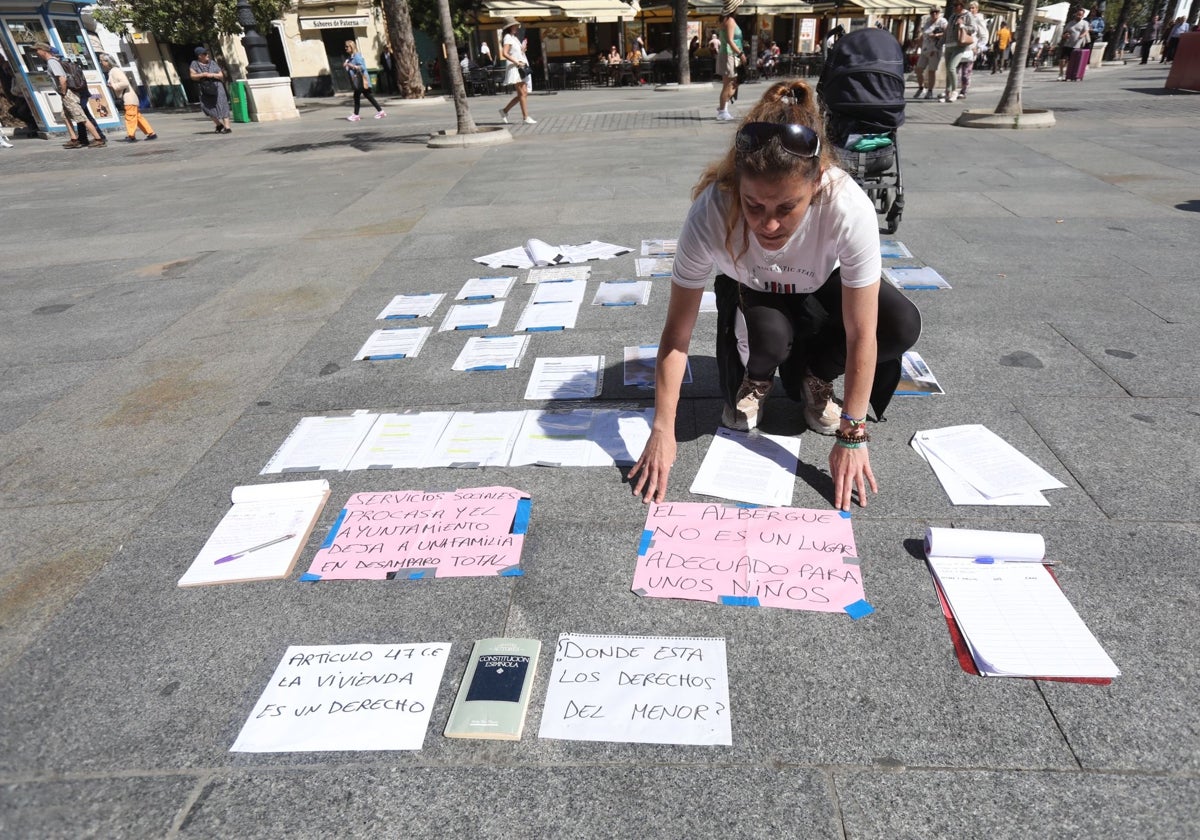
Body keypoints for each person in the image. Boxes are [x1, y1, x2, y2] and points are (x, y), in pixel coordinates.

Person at [628, 80, 922, 512]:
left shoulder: (846, 204)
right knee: (769, 336)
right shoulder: (710, 210)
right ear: (735, 185)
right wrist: (662, 428)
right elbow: (676, 335)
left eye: (786, 208)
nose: (768, 225)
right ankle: (758, 376)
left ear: (818, 182)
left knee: (901, 323)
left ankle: (814, 376)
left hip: (819, 285)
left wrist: (852, 433)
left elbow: (863, 332)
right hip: (752, 287)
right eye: (753, 206)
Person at [34, 43, 104, 149]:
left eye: (37, 50)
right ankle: (74, 139)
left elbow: (62, 78)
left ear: (43, 51)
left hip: (67, 93)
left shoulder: (52, 62)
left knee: (80, 116)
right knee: (65, 116)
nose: (36, 53)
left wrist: (63, 92)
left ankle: (98, 139)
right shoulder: (53, 61)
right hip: (66, 93)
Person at [98, 53, 155, 142]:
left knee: (130, 117)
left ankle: (131, 135)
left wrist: (112, 85)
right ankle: (151, 133)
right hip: (130, 97)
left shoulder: (115, 70)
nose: (101, 63)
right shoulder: (113, 70)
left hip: (129, 98)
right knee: (137, 117)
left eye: (101, 61)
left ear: (107, 61)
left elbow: (125, 83)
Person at [498, 17, 536, 125]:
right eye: (514, 25)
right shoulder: (508, 37)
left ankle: (504, 111)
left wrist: (522, 49)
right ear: (509, 27)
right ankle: (525, 117)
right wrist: (517, 62)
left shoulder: (513, 37)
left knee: (522, 94)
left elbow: (515, 52)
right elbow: (504, 53)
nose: (517, 27)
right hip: (516, 67)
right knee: (523, 93)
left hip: (521, 66)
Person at [716, 0, 746, 121]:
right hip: (729, 54)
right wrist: (741, 53)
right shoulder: (730, 21)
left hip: (728, 54)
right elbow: (730, 40)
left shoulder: (726, 20)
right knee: (729, 84)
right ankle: (722, 110)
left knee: (731, 83)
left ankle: (723, 108)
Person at [189, 47, 232, 133]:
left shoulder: (212, 63)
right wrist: (202, 75)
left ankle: (227, 127)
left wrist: (211, 75)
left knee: (222, 104)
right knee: (206, 106)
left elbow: (220, 75)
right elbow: (192, 76)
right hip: (204, 87)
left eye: (207, 53)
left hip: (217, 86)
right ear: (199, 56)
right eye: (205, 54)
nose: (207, 55)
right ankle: (219, 125)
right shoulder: (194, 64)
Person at [343, 40, 384, 121]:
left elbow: (362, 67)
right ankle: (381, 111)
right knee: (368, 96)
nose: (345, 48)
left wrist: (351, 65)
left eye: (347, 47)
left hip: (361, 80)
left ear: (352, 47)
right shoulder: (350, 58)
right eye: (345, 47)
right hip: (358, 80)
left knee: (357, 96)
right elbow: (351, 69)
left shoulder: (357, 56)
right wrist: (346, 65)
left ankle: (356, 115)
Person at [914, 6, 946, 98]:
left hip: (935, 49)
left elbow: (946, 33)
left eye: (936, 12)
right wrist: (917, 47)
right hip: (925, 49)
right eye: (932, 12)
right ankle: (921, 87)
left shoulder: (942, 21)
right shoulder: (927, 22)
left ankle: (930, 91)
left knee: (931, 71)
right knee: (918, 69)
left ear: (939, 12)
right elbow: (923, 35)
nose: (934, 14)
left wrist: (936, 35)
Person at [1057, 7, 1091, 81]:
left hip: (1076, 45)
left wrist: (1082, 35)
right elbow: (1064, 32)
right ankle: (1061, 73)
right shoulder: (1070, 23)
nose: (1079, 16)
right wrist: (1065, 35)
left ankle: (1068, 74)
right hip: (1067, 43)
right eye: (1078, 14)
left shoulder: (1084, 23)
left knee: (1071, 60)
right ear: (1075, 14)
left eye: (1080, 15)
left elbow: (1086, 31)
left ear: (1083, 16)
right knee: (1062, 59)